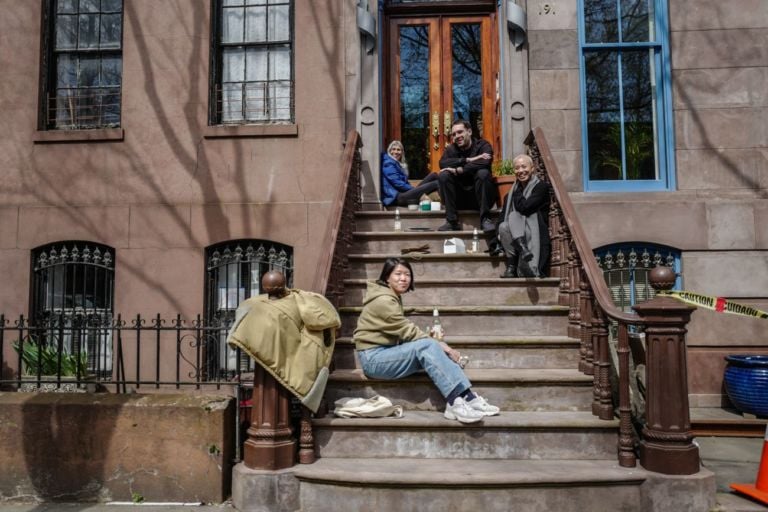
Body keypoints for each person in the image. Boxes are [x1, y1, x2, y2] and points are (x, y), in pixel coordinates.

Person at [353, 257, 500, 423]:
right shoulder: (383, 301)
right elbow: (407, 330)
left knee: (431, 348)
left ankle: (468, 397)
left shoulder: (390, 296)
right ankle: (454, 402)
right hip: (374, 359)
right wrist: (443, 346)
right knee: (429, 346)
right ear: (387, 277)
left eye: (407, 274)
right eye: (398, 274)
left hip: (386, 353)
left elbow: (401, 332)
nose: (403, 278)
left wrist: (435, 344)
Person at [497, 154, 551, 278]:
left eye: (524, 167)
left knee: (514, 214)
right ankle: (512, 265)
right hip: (517, 233)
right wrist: (498, 236)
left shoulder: (540, 187)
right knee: (503, 226)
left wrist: (517, 193)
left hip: (533, 230)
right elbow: (501, 218)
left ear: (532, 168)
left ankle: (524, 254)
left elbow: (525, 208)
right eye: (517, 168)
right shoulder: (510, 194)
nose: (520, 171)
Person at [437, 119, 496, 232]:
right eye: (454, 134)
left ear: (469, 131)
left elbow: (485, 162)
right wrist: (466, 160)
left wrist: (460, 170)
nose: (457, 136)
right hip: (459, 199)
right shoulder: (451, 149)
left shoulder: (483, 145)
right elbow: (442, 163)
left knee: (483, 173)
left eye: (460, 132)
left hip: (479, 199)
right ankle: (452, 221)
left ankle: (485, 219)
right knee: (444, 175)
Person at [381, 140, 440, 207]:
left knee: (434, 175)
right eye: (393, 149)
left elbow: (404, 183)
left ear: (402, 152)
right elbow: (398, 183)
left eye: (398, 150)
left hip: (403, 194)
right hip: (396, 197)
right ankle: (447, 204)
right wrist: (415, 190)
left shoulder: (397, 164)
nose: (396, 152)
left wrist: (416, 191)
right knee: (437, 183)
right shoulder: (388, 163)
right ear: (389, 151)